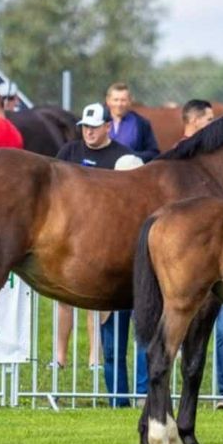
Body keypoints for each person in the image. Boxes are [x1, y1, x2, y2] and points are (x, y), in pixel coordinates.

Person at [55, 103, 145, 406]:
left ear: (109, 126)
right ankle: (118, 399)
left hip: (124, 250)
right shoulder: (68, 152)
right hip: (86, 247)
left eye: (95, 126)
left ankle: (145, 395)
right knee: (112, 338)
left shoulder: (125, 158)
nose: (89, 132)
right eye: (85, 126)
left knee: (142, 332)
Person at [105, 82, 159, 162]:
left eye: (123, 100)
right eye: (115, 100)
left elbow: (153, 152)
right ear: (108, 101)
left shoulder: (141, 123)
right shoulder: (97, 122)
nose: (119, 104)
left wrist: (134, 157)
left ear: (130, 101)